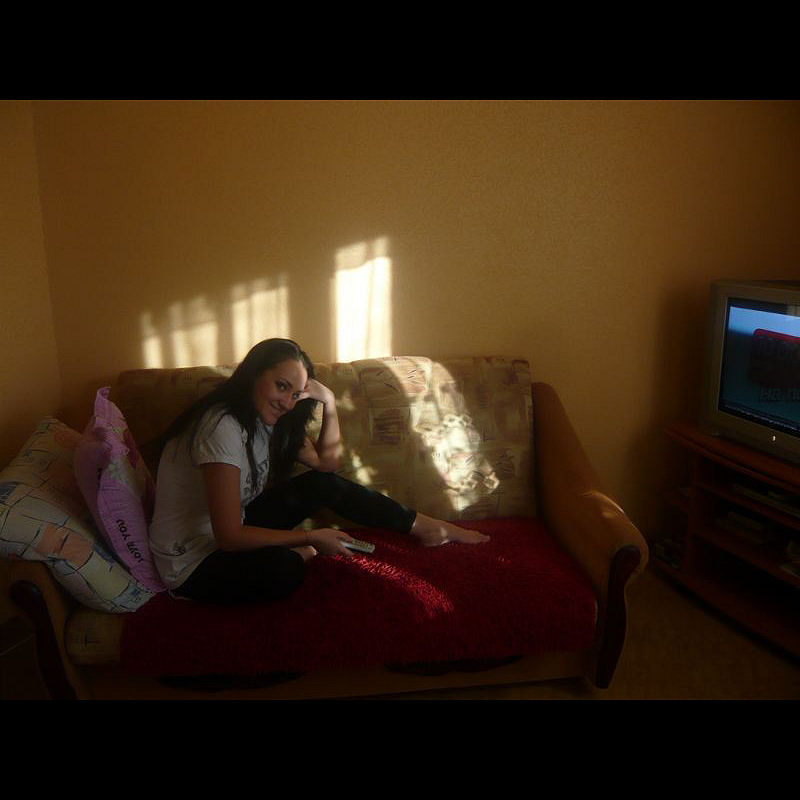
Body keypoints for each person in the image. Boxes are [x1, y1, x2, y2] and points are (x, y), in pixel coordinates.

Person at [148, 338, 490, 604]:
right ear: (254, 374)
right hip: (192, 561)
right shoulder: (221, 426)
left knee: (321, 484)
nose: (287, 402)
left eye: (296, 393)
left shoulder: (267, 418)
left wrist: (329, 404)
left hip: (227, 533)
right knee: (284, 571)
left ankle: (429, 528)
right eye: (281, 386)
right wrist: (310, 538)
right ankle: (297, 555)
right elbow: (229, 536)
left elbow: (327, 465)